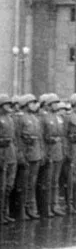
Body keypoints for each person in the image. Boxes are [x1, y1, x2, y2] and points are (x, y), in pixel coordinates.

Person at [0, 94, 17, 224]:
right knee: (1, 186)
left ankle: (5, 213)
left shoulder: (10, 119)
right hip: (2, 154)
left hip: (10, 154)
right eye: (6, 104)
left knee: (9, 186)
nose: (9, 107)